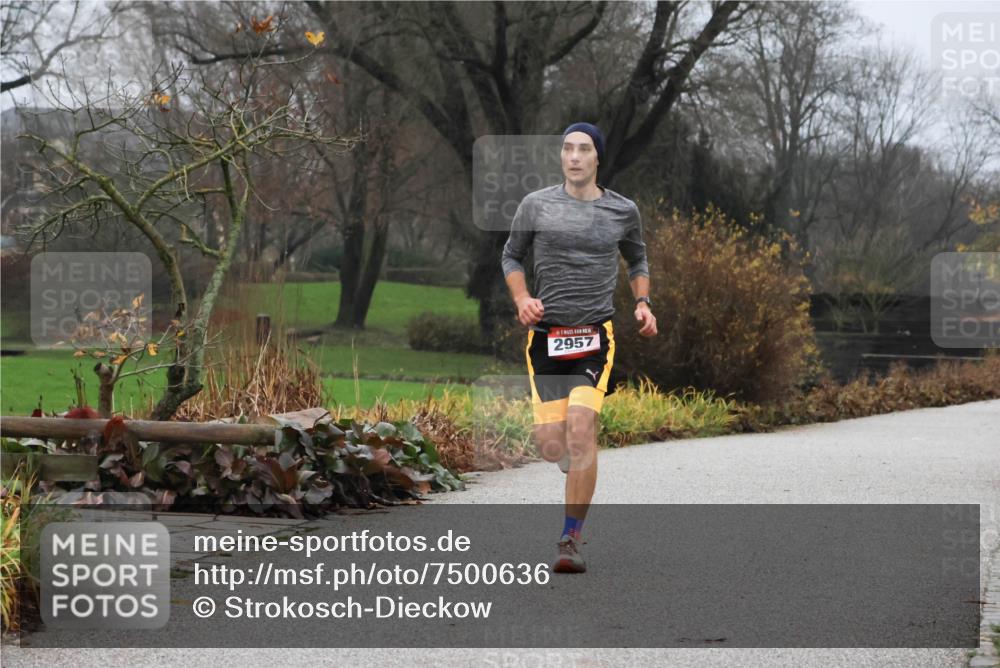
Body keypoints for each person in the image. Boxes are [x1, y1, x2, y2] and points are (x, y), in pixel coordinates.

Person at [500, 122, 658, 574]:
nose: (573, 156)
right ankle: (568, 457)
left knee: (582, 429)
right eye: (567, 148)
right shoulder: (536, 205)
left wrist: (643, 303)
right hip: (546, 338)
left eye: (583, 149)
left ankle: (570, 539)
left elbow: (638, 257)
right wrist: (522, 298)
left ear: (597, 158)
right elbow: (511, 255)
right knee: (553, 445)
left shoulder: (622, 211)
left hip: (594, 337)